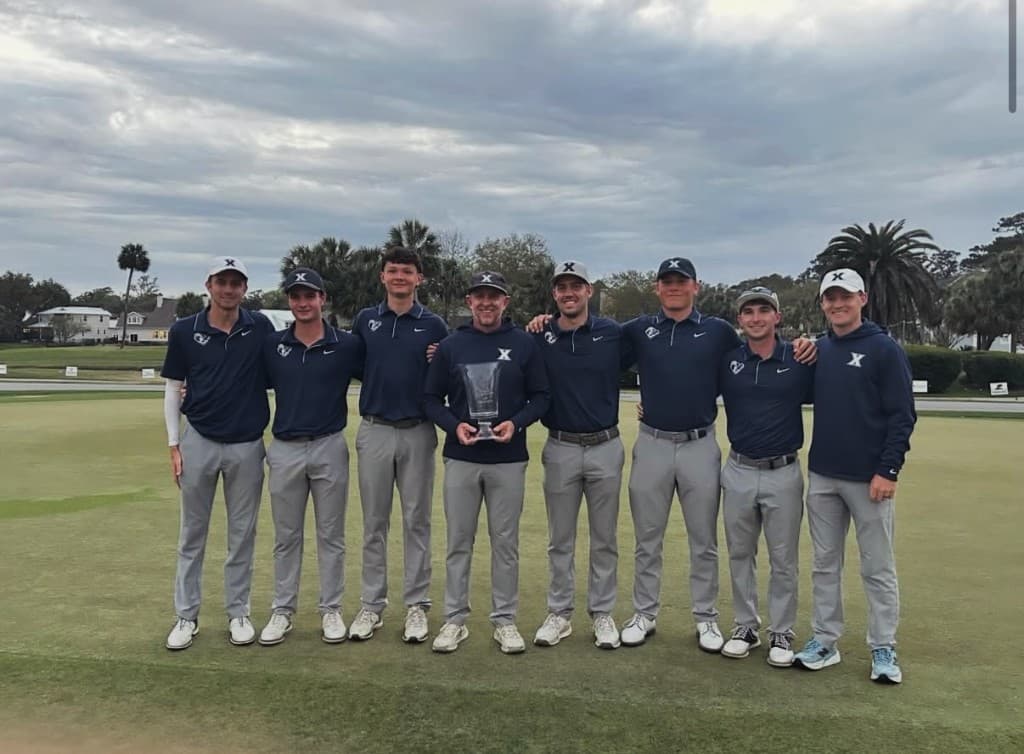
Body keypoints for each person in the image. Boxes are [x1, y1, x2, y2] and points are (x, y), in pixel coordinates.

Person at [620, 258, 814, 651]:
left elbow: (759, 350)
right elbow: (594, 342)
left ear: (697, 287)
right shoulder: (640, 329)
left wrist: (809, 345)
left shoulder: (719, 332)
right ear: (658, 287)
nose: (674, 287)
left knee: (704, 540)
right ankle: (645, 613)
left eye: (682, 281)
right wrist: (544, 323)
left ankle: (706, 618)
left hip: (699, 445)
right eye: (667, 281)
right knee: (647, 537)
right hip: (652, 442)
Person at [793, 268, 916, 684]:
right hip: (823, 475)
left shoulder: (884, 349)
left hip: (870, 479)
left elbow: (903, 415)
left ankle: (884, 647)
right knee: (825, 565)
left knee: (877, 566)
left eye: (845, 296)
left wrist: (888, 469)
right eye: (830, 297)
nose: (837, 304)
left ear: (862, 298)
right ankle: (825, 641)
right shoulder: (820, 349)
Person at [423, 271, 550, 655]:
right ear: (469, 301)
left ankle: (505, 620)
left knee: (505, 543)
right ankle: (454, 619)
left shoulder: (525, 345)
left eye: (494, 296)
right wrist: (454, 425)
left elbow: (541, 397)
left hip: (508, 458)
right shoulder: (451, 345)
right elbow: (430, 398)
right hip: (461, 456)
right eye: (479, 296)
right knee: (459, 541)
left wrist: (517, 422)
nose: (486, 303)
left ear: (505, 302)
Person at [161, 256, 275, 650]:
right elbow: (174, 387)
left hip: (247, 443)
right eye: (222, 282)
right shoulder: (183, 330)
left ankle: (238, 612)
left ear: (244, 288)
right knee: (192, 534)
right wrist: (174, 444)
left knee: (242, 535)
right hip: (200, 440)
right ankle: (185, 616)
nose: (229, 289)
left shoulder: (259, 326)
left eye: (236, 283)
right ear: (209, 285)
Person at [256, 268, 364, 646]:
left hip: (329, 445)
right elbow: (243, 380)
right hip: (284, 448)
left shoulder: (347, 344)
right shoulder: (273, 344)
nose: (303, 303)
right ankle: (283, 611)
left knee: (330, 535)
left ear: (322, 299)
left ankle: (330, 609)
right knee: (286, 536)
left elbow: (384, 374)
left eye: (310, 295)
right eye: (296, 296)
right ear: (290, 301)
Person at [348, 247, 449, 643]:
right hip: (374, 429)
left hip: (418, 431)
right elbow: (356, 366)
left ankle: (416, 606)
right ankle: (372, 606)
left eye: (407, 271)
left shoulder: (435, 325)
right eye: (393, 271)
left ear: (418, 279)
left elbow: (445, 373)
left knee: (416, 521)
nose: (400, 277)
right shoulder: (366, 320)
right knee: (374, 523)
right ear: (382, 277)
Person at [531, 260, 631, 650]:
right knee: (560, 538)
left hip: (606, 445)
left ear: (590, 291)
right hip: (560, 447)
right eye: (562, 287)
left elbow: (660, 365)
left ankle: (602, 613)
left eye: (577, 286)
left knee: (604, 537)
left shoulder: (614, 334)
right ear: (555, 294)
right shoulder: (541, 334)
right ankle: (559, 613)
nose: (569, 293)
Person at [716, 287, 814, 667]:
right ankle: (745, 626)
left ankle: (782, 632)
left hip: (783, 471)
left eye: (764, 311)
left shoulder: (801, 358)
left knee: (783, 558)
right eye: (748, 312)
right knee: (740, 553)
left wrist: (814, 343)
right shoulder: (729, 362)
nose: (756, 318)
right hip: (738, 468)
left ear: (777, 317)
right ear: (739, 320)